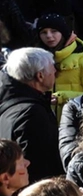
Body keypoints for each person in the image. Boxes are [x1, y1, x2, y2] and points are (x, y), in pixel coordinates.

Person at [0, 48, 65, 181]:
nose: (55, 73)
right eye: (53, 69)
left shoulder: (10, 102)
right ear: (40, 76)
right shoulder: (32, 113)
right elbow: (39, 166)